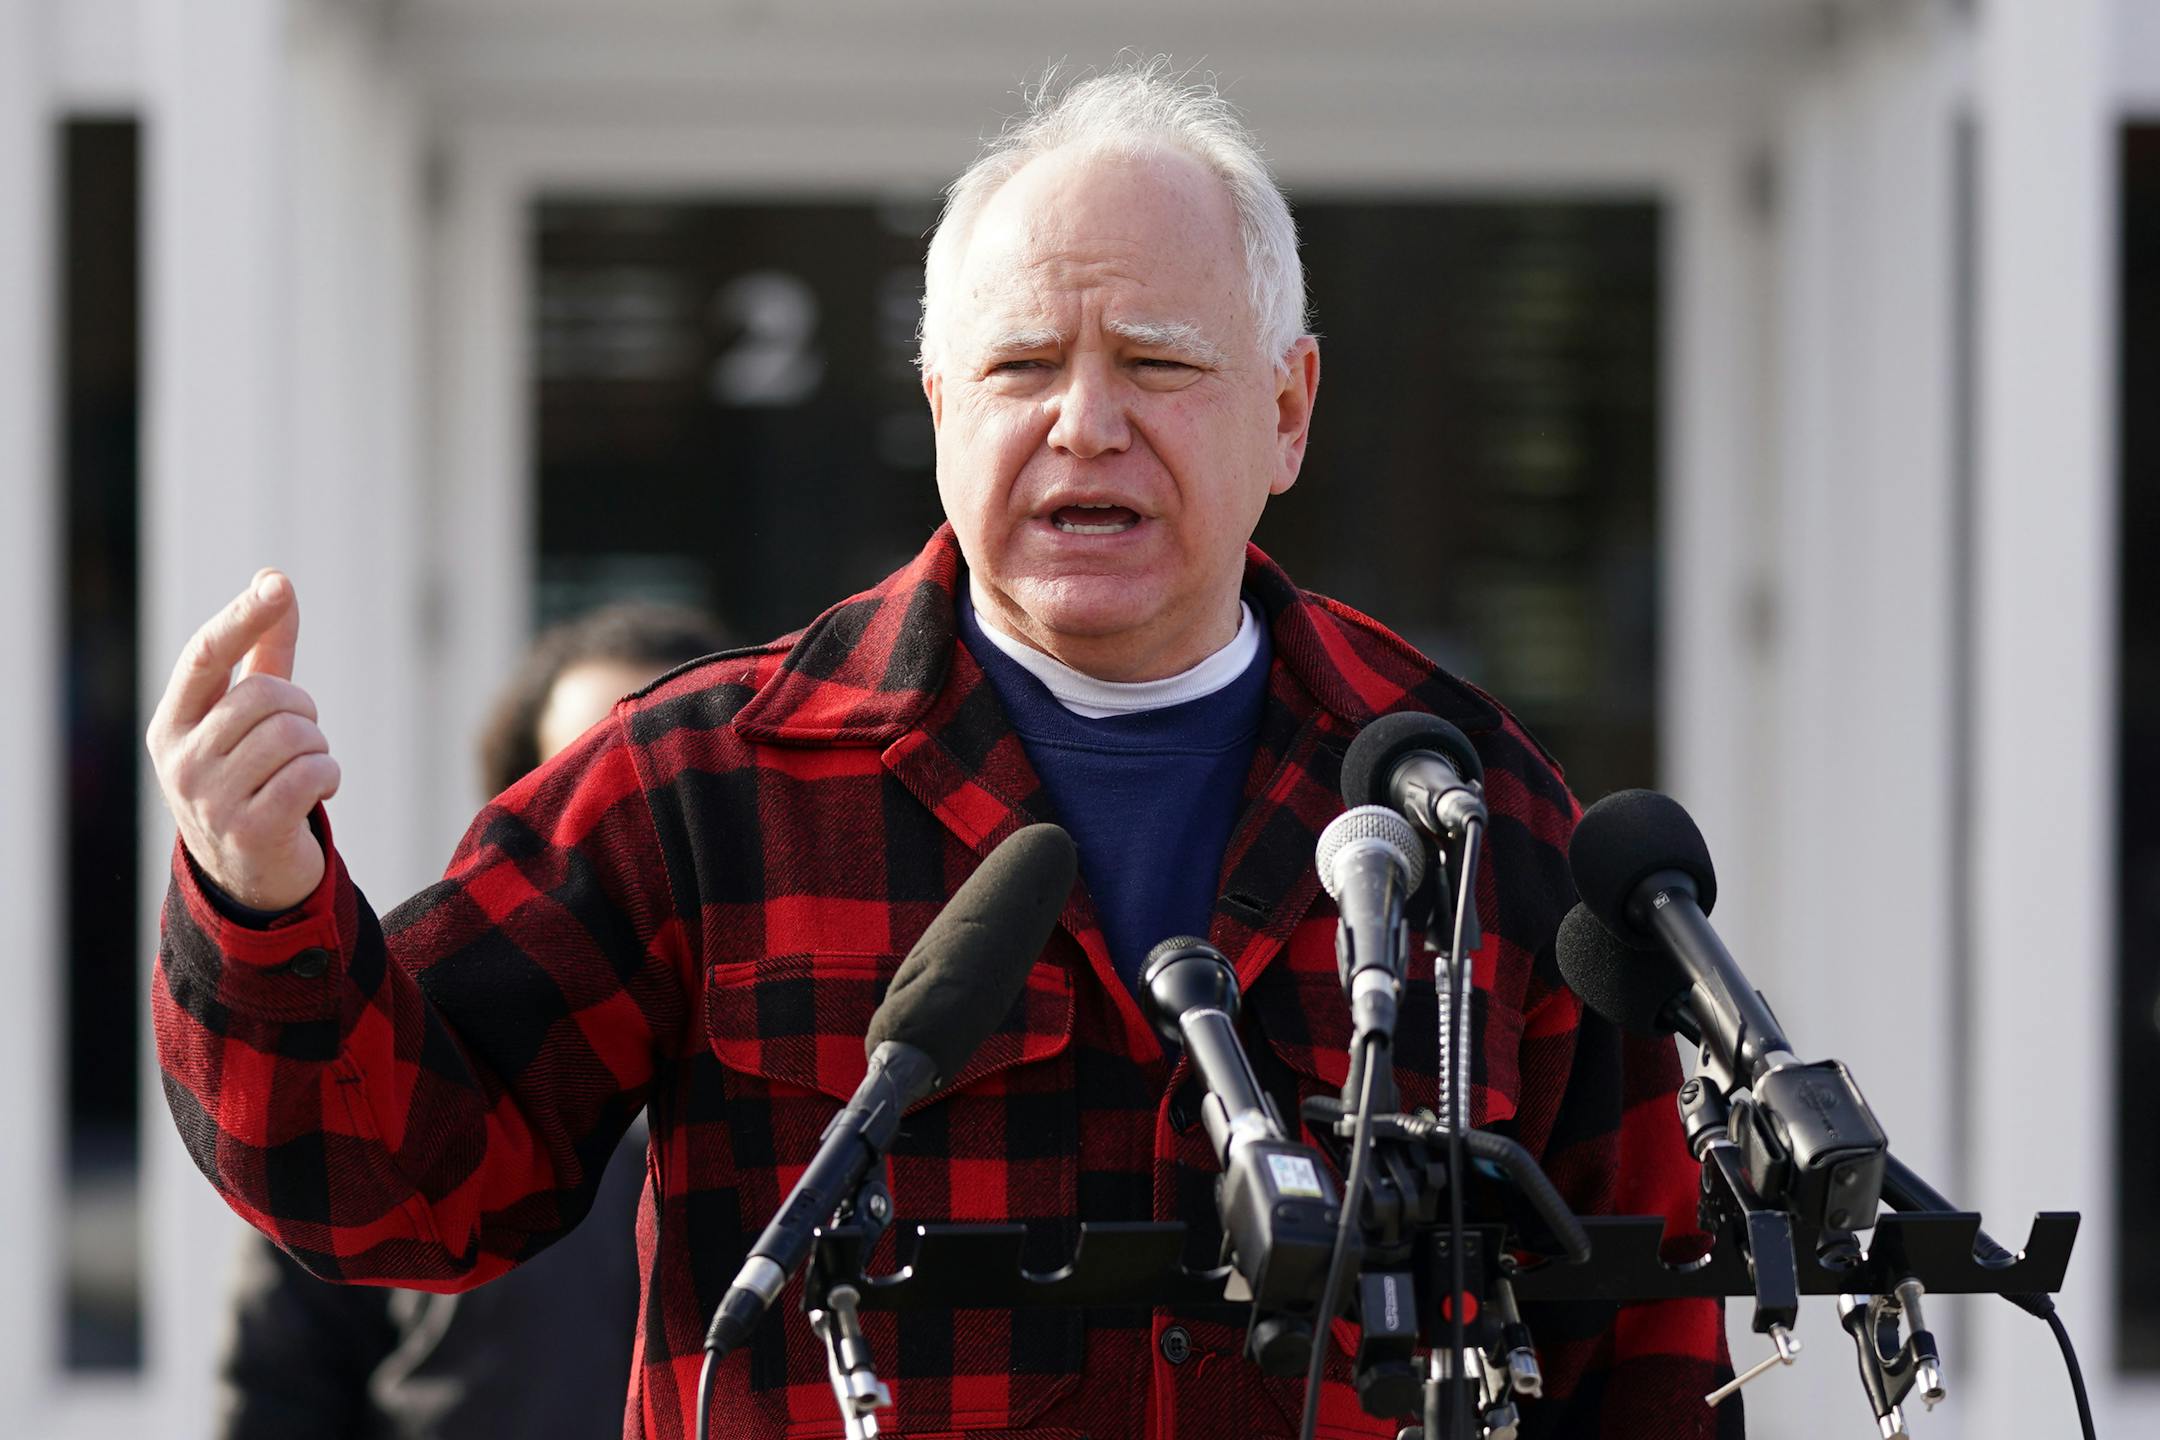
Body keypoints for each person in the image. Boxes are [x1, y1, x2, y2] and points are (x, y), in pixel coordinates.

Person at [149, 59, 1737, 1440]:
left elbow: (1647, 1333)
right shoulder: (705, 787)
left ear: (1288, 407)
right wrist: (258, 893)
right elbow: (401, 1182)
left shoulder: (1463, 803)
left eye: (1158, 362)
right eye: (1022, 366)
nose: (1085, 423)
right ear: (936, 407)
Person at [214, 603, 729, 1440]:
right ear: (516, 813)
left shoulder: (817, 1080)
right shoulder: (411, 1059)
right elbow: (278, 1396)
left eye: (669, 793)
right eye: (591, 782)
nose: (631, 831)